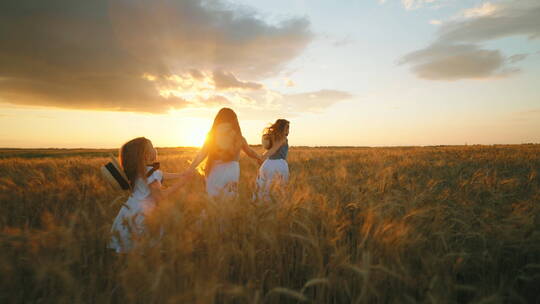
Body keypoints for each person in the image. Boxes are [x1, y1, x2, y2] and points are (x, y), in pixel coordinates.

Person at [109, 137, 191, 253]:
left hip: (129, 211)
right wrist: (181, 183)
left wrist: (181, 174)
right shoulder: (152, 173)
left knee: (128, 245)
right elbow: (160, 196)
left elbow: (162, 175)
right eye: (152, 147)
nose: (155, 149)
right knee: (143, 247)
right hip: (143, 214)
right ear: (146, 155)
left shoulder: (137, 171)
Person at [186, 108, 262, 200]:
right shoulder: (239, 138)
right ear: (235, 122)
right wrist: (260, 158)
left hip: (214, 170)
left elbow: (202, 153)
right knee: (229, 199)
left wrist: (190, 168)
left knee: (213, 200)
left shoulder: (212, 136)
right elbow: (250, 152)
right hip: (231, 171)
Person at [256, 119, 290, 201]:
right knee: (278, 188)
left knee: (265, 187)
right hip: (278, 165)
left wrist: (263, 157)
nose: (289, 130)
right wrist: (262, 157)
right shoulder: (282, 138)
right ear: (283, 128)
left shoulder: (273, 137)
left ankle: (263, 205)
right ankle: (274, 206)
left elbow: (270, 149)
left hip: (267, 164)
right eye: (287, 128)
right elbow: (274, 149)